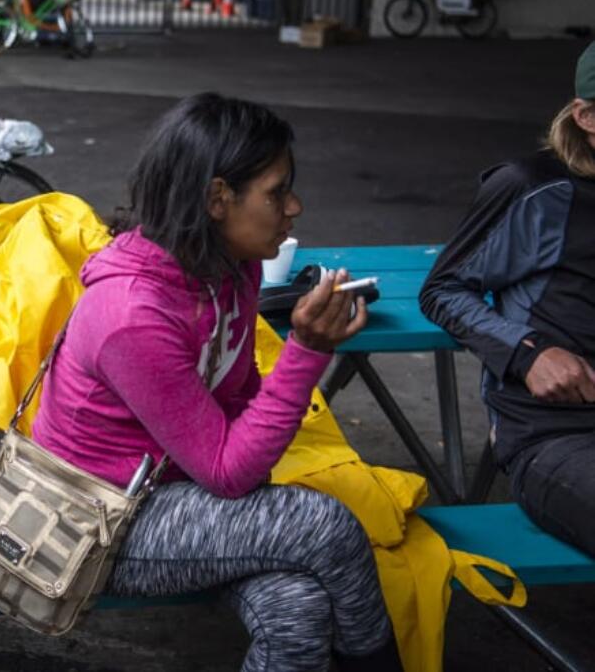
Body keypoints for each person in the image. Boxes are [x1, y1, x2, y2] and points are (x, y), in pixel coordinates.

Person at [32, 93, 402, 672]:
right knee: (323, 525)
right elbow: (228, 472)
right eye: (277, 192)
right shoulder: (131, 314)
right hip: (97, 522)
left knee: (298, 610)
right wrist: (307, 350)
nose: (294, 206)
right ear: (216, 199)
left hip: (181, 492)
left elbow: (238, 401)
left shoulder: (233, 267)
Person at [420, 42, 595, 556]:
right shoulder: (537, 188)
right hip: (556, 433)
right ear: (587, 116)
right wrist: (529, 351)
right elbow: (444, 289)